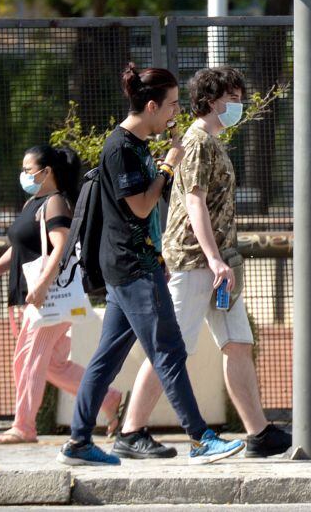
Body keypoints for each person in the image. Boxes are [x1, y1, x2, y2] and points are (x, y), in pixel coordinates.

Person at [58, 64, 244, 466]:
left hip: (138, 263)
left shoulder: (137, 144)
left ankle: (77, 443)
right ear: (152, 105)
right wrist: (168, 165)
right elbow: (141, 206)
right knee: (170, 351)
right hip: (131, 265)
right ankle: (200, 439)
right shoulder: (121, 147)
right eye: (173, 106)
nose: (176, 114)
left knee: (107, 357)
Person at [114, 68, 292, 460]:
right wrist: (213, 258)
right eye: (233, 96)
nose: (239, 104)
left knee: (238, 344)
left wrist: (220, 260)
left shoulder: (211, 141)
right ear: (212, 101)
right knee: (172, 348)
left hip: (217, 264)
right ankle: (131, 430)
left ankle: (257, 432)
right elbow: (193, 200)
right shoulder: (197, 142)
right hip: (195, 261)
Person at [0, 146, 122, 444]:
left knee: (28, 359)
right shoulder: (35, 203)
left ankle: (24, 426)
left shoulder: (54, 203)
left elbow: (61, 245)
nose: (24, 175)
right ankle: (108, 397)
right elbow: (22, 247)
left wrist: (41, 286)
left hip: (49, 296)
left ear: (47, 171)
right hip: (43, 299)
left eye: (29, 170)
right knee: (51, 364)